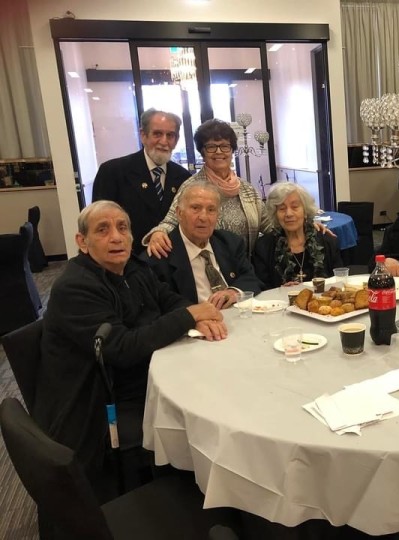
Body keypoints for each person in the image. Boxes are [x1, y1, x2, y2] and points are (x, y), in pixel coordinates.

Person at [35, 201, 226, 499]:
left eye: (122, 228)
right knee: (206, 410)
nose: (116, 237)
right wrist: (190, 315)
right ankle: (184, 494)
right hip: (97, 403)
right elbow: (122, 348)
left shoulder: (134, 268)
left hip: (139, 376)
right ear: (82, 242)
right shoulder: (75, 287)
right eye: (103, 230)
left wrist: (196, 316)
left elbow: (167, 299)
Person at [145, 118, 272, 259]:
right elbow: (171, 221)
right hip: (207, 265)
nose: (219, 151)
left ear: (232, 150)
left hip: (245, 266)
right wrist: (159, 233)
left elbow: (268, 226)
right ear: (202, 152)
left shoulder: (247, 189)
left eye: (225, 146)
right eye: (211, 147)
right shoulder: (191, 187)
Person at [144, 182, 263, 306]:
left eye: (211, 210)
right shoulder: (159, 257)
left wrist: (234, 292)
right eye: (195, 208)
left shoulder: (230, 242)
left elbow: (251, 278)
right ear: (179, 213)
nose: (203, 217)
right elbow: (163, 307)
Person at [92, 108, 192, 254]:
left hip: (171, 258)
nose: (164, 141)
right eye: (157, 134)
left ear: (176, 140)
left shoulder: (183, 177)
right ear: (143, 135)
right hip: (128, 257)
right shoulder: (113, 171)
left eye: (170, 135)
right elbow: (99, 221)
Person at [253, 183, 343, 288]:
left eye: (295, 207)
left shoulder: (327, 242)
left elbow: (339, 282)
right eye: (282, 208)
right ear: (275, 214)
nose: (289, 214)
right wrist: (280, 291)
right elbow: (262, 289)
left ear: (305, 211)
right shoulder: (263, 247)